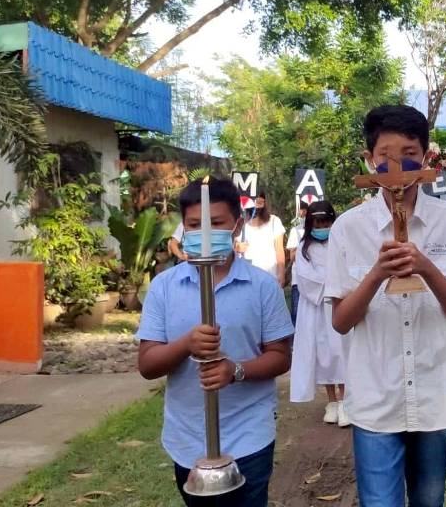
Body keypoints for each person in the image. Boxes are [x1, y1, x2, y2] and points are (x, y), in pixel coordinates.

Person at [325, 105, 446, 507]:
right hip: (376, 396)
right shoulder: (349, 227)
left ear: (427, 157)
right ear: (369, 159)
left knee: (430, 499)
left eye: (409, 151)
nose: (397, 164)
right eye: (385, 154)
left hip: (433, 394)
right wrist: (377, 273)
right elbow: (341, 321)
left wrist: (426, 267)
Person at [136, 178, 294, 507]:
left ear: (237, 225)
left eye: (216, 223)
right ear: (184, 227)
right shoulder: (165, 288)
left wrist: (235, 370)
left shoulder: (262, 287)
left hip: (249, 433)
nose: (205, 233)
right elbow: (148, 365)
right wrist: (186, 345)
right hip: (187, 437)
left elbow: (280, 356)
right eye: (195, 225)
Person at [290, 200, 348, 427]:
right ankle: (331, 400)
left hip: (339, 304)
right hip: (315, 309)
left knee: (340, 351)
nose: (323, 227)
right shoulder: (304, 248)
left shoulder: (343, 243)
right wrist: (331, 285)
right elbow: (306, 279)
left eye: (327, 222)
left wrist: (338, 289)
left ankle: (345, 401)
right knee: (323, 354)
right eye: (318, 223)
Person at [235, 192, 287, 286]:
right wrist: (237, 247)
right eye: (253, 202)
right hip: (247, 279)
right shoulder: (240, 223)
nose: (256, 206)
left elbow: (279, 250)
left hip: (271, 278)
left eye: (259, 202)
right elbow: (231, 246)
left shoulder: (274, 221)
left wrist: (281, 274)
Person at [285, 201, 310, 323]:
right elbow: (292, 256)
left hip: (314, 280)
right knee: (298, 314)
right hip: (299, 279)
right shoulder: (296, 230)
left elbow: (293, 256)